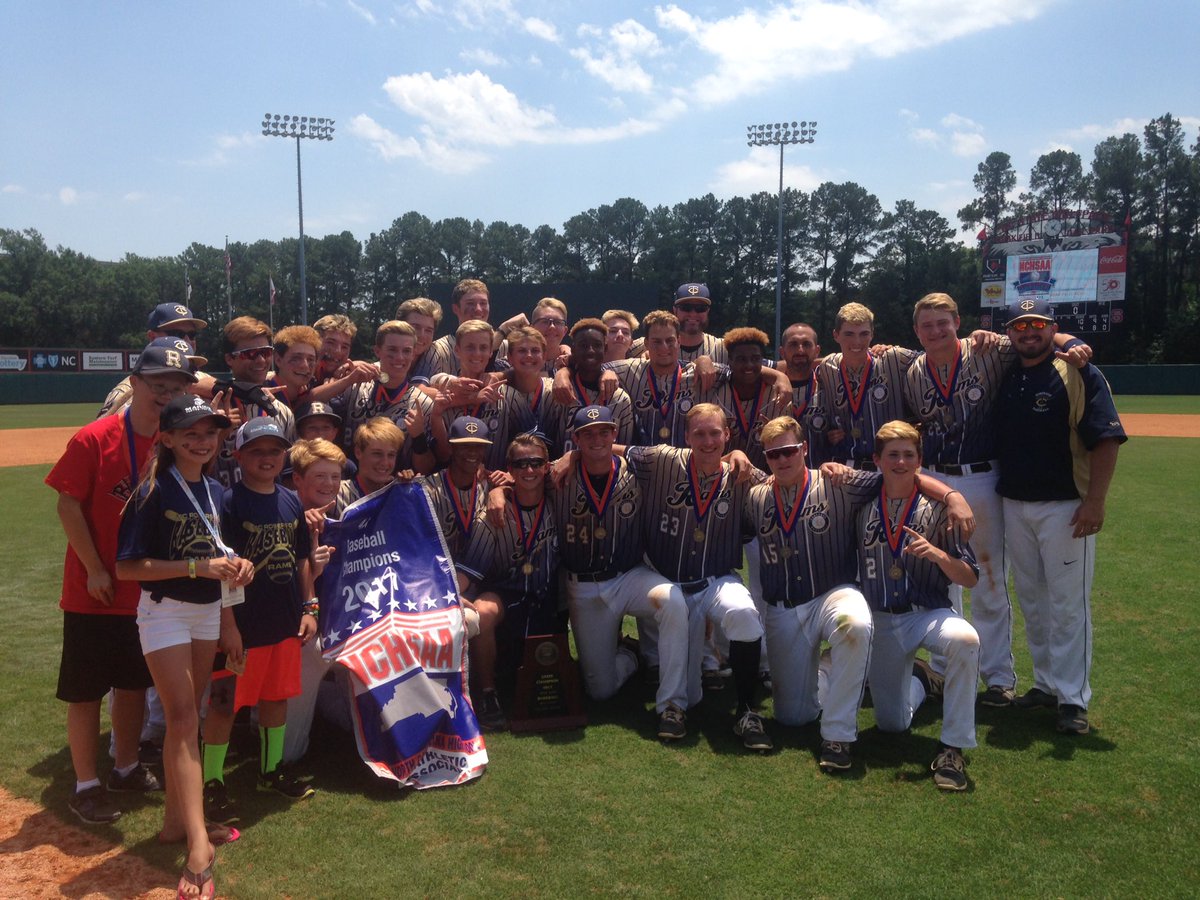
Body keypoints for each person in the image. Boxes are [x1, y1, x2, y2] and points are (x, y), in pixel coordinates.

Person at [903, 292, 1090, 707]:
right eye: (927, 325)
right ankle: (943, 666)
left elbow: (1037, 337)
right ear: (916, 331)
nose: (935, 331)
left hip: (984, 476)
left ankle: (998, 678)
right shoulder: (913, 369)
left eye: (942, 322)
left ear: (957, 322)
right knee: (937, 576)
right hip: (933, 479)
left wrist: (1070, 342)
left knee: (988, 579)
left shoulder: (988, 349)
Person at [115, 395, 255, 900]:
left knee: (190, 714)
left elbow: (225, 558)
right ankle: (199, 845)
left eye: (210, 431)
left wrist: (236, 585)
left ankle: (177, 822)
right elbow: (127, 568)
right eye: (190, 432)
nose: (202, 440)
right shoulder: (151, 491)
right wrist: (196, 568)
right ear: (167, 438)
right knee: (180, 718)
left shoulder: (219, 491)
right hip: (165, 611)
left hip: (206, 612)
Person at [46, 342, 186, 825]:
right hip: (94, 589)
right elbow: (67, 505)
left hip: (145, 590)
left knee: (131, 686)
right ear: (137, 382)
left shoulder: (173, 441)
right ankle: (85, 784)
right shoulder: (96, 437)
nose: (165, 393)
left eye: (176, 386)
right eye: (158, 384)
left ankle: (124, 767)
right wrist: (95, 569)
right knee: (85, 691)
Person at [994, 298, 1126, 736]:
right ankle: (1047, 684)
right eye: (1020, 325)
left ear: (1053, 327)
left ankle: (1073, 699)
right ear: (1010, 331)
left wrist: (1096, 501)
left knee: (1068, 605)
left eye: (1037, 324)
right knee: (1033, 601)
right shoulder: (1007, 371)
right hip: (1014, 503)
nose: (1028, 332)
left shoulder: (1078, 370)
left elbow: (1106, 440)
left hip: (1066, 506)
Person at [622, 403, 769, 749]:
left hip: (715, 579)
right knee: (692, 693)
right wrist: (568, 458)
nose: (707, 441)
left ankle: (747, 709)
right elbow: (610, 448)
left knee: (745, 614)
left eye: (715, 433)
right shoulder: (662, 458)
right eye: (699, 433)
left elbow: (785, 482)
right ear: (686, 436)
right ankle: (673, 707)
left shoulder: (742, 473)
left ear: (727, 435)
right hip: (667, 580)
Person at [201, 419, 318, 826]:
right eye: (257, 451)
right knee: (222, 706)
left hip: (283, 623)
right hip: (242, 628)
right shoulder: (229, 505)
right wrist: (227, 626)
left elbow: (302, 559)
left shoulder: (290, 501)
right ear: (238, 456)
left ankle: (270, 771)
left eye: (275, 451)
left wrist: (309, 608)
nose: (267, 458)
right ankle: (212, 782)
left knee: (276, 698)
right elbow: (223, 572)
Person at [856, 421, 981, 791]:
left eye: (908, 455)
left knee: (965, 640)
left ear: (919, 461)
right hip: (881, 618)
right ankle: (923, 683)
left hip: (927, 612)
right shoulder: (860, 502)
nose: (900, 462)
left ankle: (953, 747)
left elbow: (970, 577)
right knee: (892, 724)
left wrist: (939, 554)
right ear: (877, 460)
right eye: (892, 454)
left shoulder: (941, 510)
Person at [549, 406, 690, 727]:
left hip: (629, 576)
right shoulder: (557, 474)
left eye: (603, 431)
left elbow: (693, 456)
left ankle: (672, 703)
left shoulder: (640, 469)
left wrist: (736, 451)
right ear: (576, 439)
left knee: (672, 600)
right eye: (588, 433)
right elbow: (518, 480)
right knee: (600, 690)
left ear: (615, 434)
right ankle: (630, 654)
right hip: (582, 586)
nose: (596, 439)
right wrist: (500, 491)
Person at [457, 434, 560, 731]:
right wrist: (447, 593)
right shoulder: (491, 514)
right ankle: (487, 695)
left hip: (547, 596)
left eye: (536, 463)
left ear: (546, 467)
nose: (529, 470)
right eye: (521, 464)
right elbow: (469, 570)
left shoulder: (559, 497)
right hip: (506, 593)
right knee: (481, 612)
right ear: (510, 469)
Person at [281, 437, 344, 764]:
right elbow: (272, 588)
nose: (329, 484)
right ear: (297, 479)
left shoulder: (345, 513)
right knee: (288, 755)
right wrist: (313, 571)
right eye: (320, 476)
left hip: (339, 624)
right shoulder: (282, 515)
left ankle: (335, 709)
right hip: (290, 630)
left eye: (335, 476)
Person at [816, 303, 918, 469]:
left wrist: (975, 337)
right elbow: (799, 369)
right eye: (849, 334)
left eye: (864, 334)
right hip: (845, 467)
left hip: (889, 468)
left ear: (872, 334)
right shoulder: (827, 367)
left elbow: (936, 354)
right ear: (836, 335)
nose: (857, 341)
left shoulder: (892, 358)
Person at [340, 320, 436, 474]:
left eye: (406, 351)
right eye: (392, 349)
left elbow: (427, 468)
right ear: (377, 351)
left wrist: (418, 437)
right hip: (349, 487)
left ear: (413, 353)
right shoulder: (353, 387)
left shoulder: (423, 404)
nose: (399, 357)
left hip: (394, 490)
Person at [214, 316, 297, 490]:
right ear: (229, 359)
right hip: (221, 506)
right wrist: (217, 432)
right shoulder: (213, 408)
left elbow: (287, 472)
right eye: (250, 354)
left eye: (266, 352)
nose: (260, 360)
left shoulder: (281, 411)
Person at [96, 304, 210, 418]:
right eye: (176, 334)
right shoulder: (128, 391)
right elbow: (105, 429)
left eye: (192, 335)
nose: (186, 340)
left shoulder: (206, 380)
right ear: (152, 337)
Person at [544, 318, 634, 456]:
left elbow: (625, 449)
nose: (590, 350)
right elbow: (547, 442)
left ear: (605, 349)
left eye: (597, 345)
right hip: (564, 474)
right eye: (583, 345)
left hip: (608, 475)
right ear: (573, 350)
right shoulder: (558, 390)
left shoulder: (621, 399)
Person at [777, 322, 831, 465]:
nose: (800, 350)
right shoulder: (769, 389)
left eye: (806, 344)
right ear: (782, 352)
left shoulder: (830, 385)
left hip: (823, 478)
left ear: (817, 350)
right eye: (793, 344)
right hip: (778, 480)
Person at [334, 417, 405, 516]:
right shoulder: (335, 493)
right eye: (377, 454)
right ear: (358, 452)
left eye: (391, 455)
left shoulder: (399, 495)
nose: (385, 462)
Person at [397, 297, 445, 382]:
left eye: (428, 330)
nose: (422, 335)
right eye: (415, 327)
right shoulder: (383, 365)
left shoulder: (436, 356)